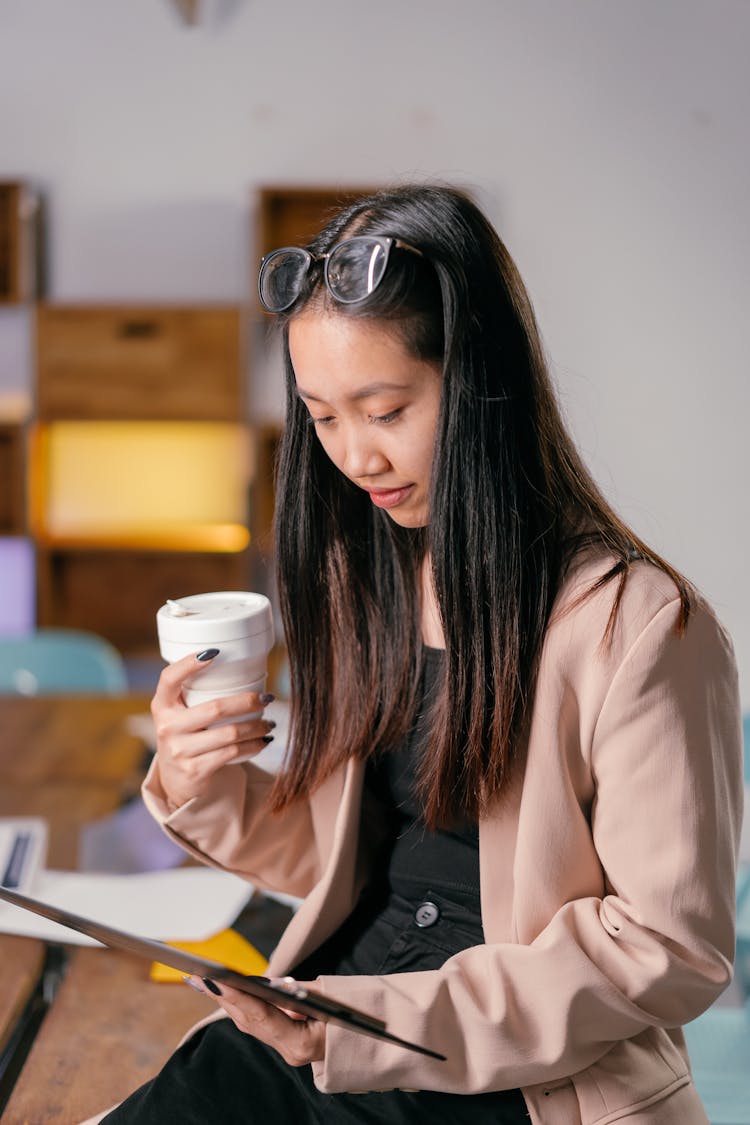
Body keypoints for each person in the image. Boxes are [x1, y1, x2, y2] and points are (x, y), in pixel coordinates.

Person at [93, 184, 742, 1124]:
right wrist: (200, 783)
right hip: (335, 1031)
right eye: (322, 417)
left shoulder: (637, 625)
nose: (355, 455)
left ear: (481, 382)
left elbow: (668, 951)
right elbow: (352, 867)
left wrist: (361, 1022)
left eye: (385, 409)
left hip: (515, 1084)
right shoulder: (377, 582)